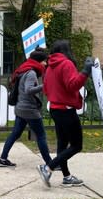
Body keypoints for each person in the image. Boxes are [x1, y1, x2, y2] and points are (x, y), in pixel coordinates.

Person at [37, 40, 94, 188]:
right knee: (76, 145)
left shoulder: (50, 66)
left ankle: (67, 177)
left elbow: (46, 89)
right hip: (66, 110)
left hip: (55, 108)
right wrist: (85, 72)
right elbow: (73, 85)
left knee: (62, 144)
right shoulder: (66, 64)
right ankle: (48, 167)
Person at [0, 48, 51, 167]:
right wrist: (44, 86)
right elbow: (28, 90)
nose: (46, 64)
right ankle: (50, 163)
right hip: (29, 109)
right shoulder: (31, 73)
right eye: (44, 61)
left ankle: (3, 158)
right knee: (41, 136)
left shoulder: (24, 69)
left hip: (21, 107)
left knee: (15, 134)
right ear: (39, 61)